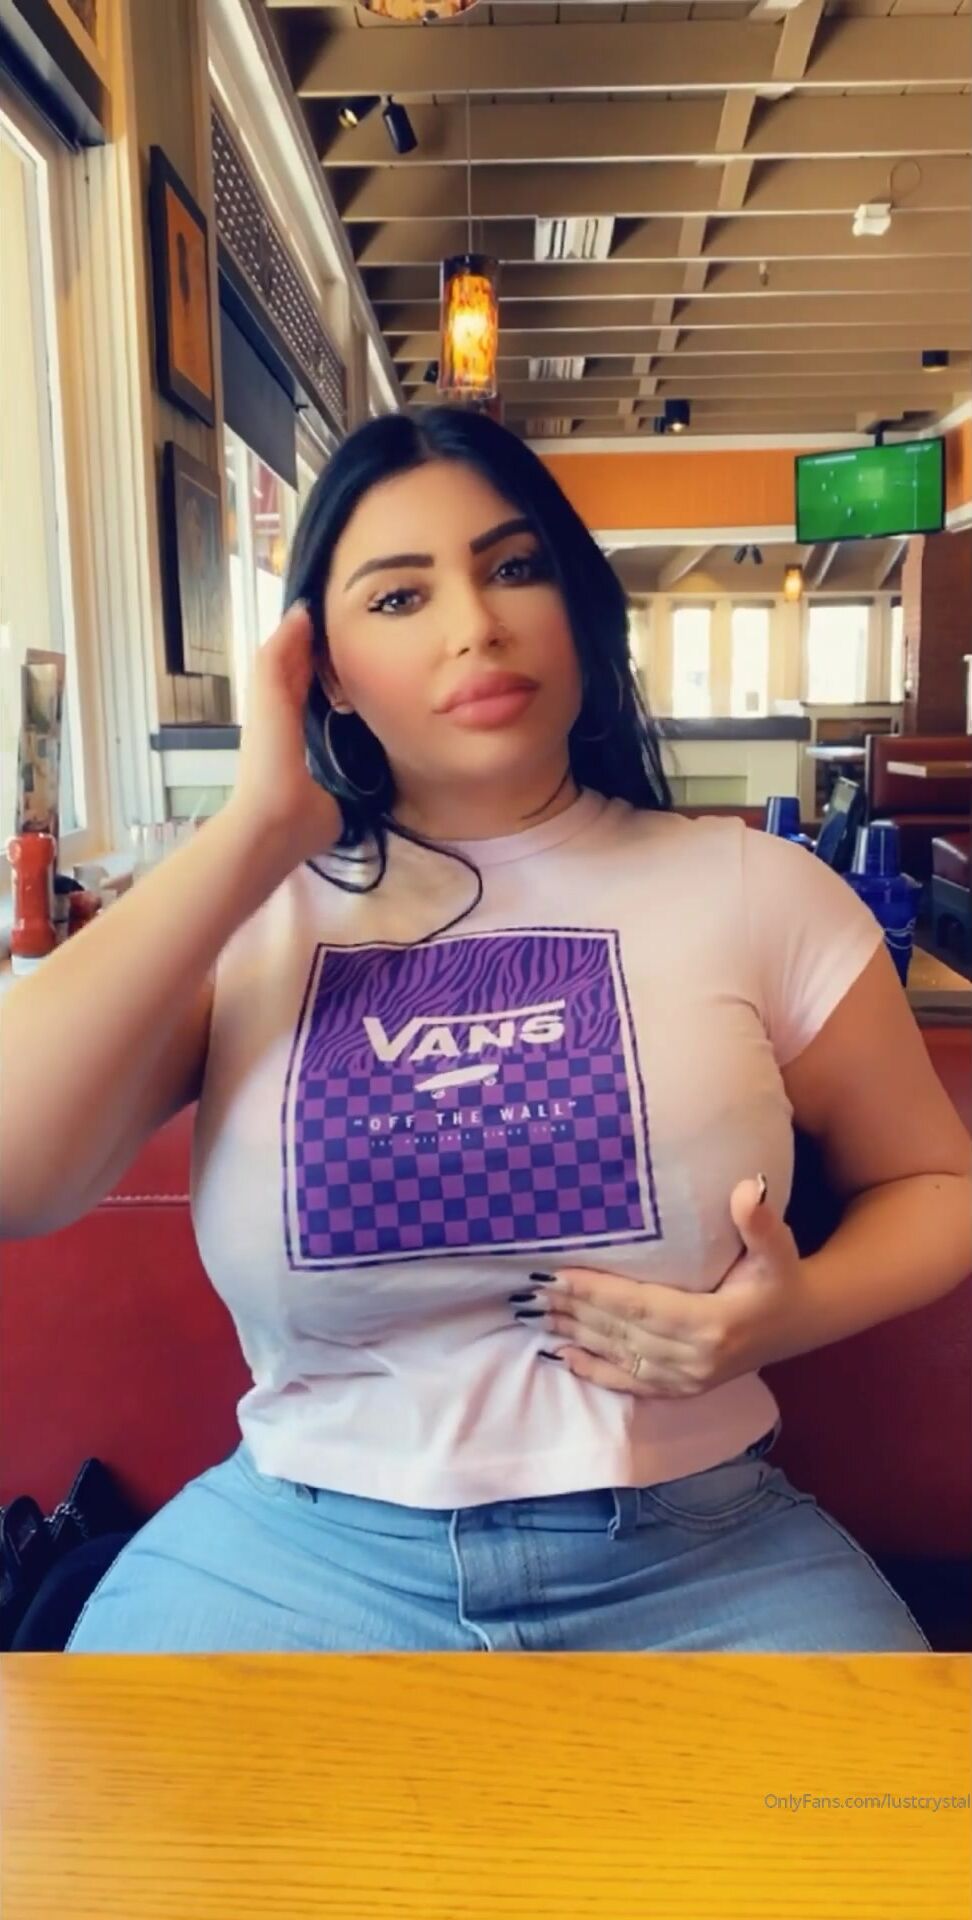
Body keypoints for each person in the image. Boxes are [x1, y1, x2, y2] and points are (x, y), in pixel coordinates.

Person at [3, 409, 969, 1654]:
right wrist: (257, 832)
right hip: (299, 1551)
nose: (476, 624)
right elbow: (17, 1178)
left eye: (514, 567)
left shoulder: (757, 891)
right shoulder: (252, 916)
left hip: (699, 1549)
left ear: (578, 609)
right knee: (80, 1788)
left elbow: (935, 1183)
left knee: (903, 1786)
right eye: (400, 597)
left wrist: (789, 1315)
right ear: (324, 669)